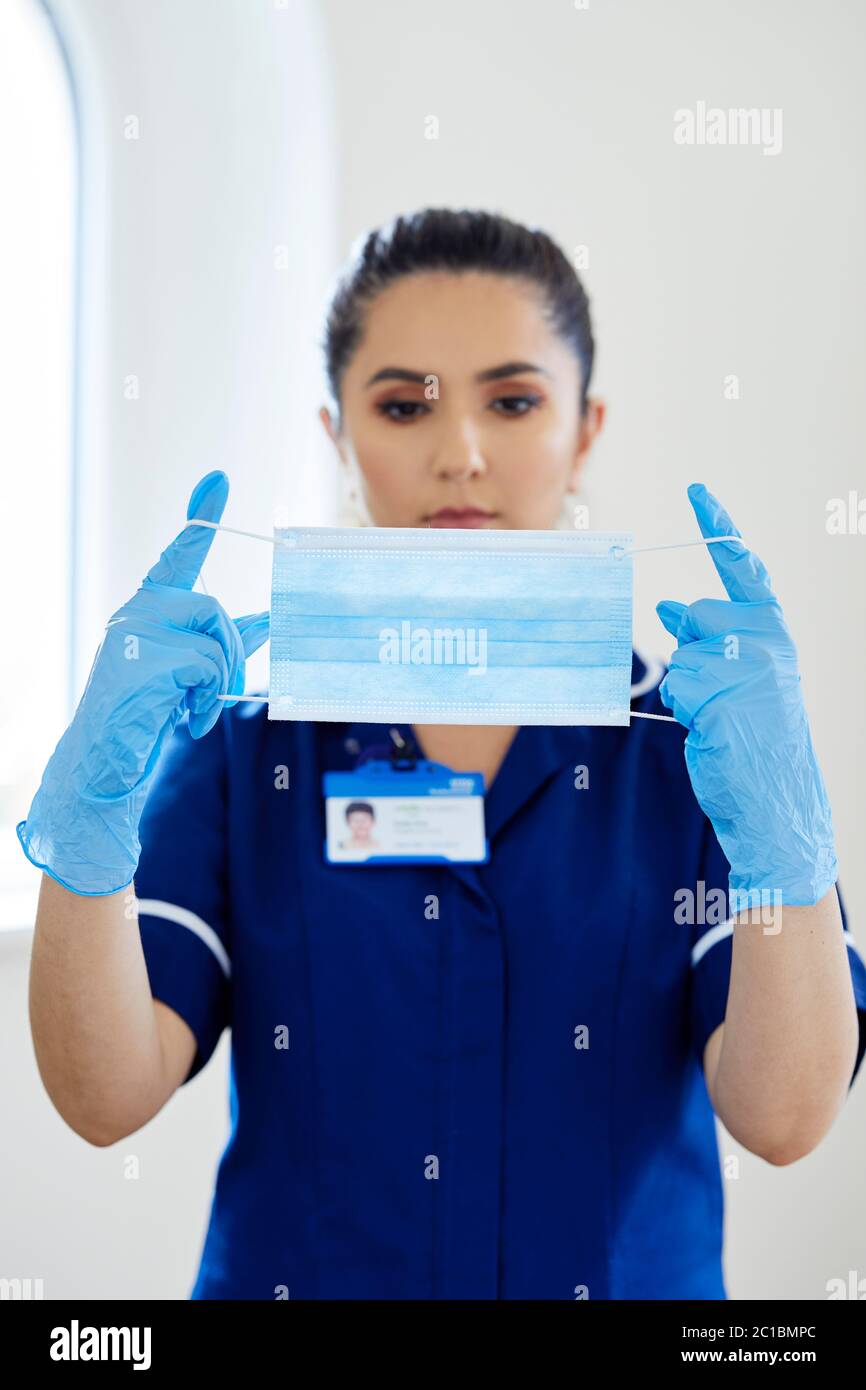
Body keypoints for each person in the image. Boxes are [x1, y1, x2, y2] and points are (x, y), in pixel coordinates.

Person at [19, 209, 866, 1300]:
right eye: (401, 403)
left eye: (512, 401)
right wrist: (86, 842)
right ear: (336, 430)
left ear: (584, 427)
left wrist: (783, 857)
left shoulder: (702, 749)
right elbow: (103, 1098)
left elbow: (786, 1117)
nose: (459, 451)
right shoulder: (240, 741)